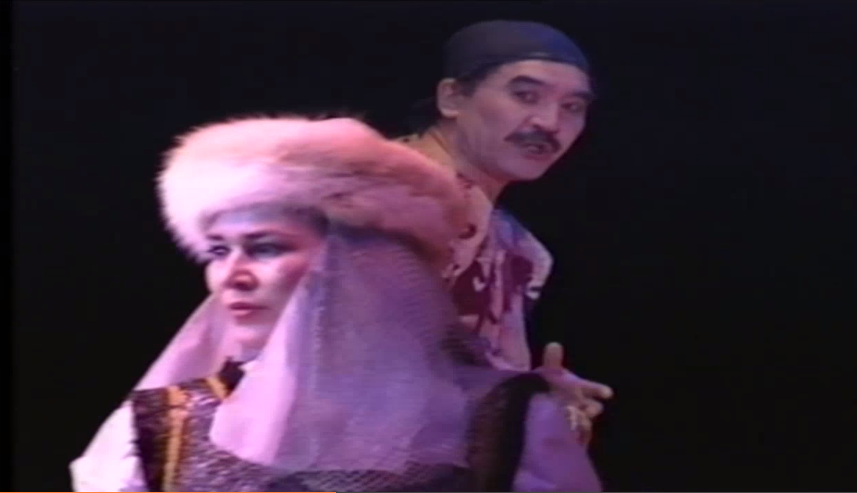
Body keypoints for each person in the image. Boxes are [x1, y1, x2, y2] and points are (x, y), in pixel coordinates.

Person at [69, 115, 602, 491]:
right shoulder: (162, 433)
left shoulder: (503, 426)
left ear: (363, 263)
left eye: (266, 247)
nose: (231, 275)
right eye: (218, 251)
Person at [398, 20, 614, 444]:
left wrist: (533, 400)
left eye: (573, 107)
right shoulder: (388, 201)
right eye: (525, 96)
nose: (550, 122)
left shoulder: (518, 248)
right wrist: (516, 402)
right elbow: (348, 366)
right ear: (452, 97)